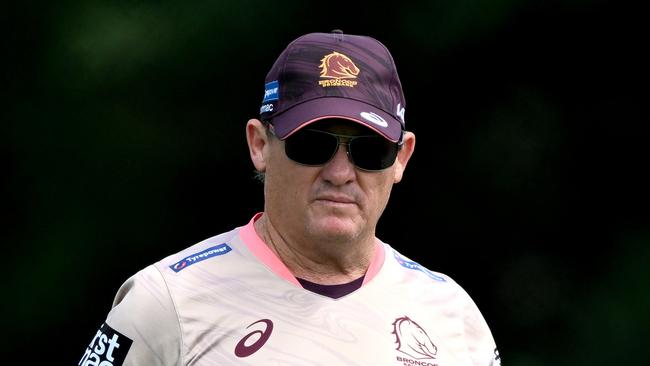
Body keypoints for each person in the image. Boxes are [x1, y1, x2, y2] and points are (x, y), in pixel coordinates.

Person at [78, 30, 501, 366]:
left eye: (369, 151)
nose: (339, 174)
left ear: (401, 158)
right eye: (311, 146)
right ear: (260, 144)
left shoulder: (451, 315)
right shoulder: (166, 302)